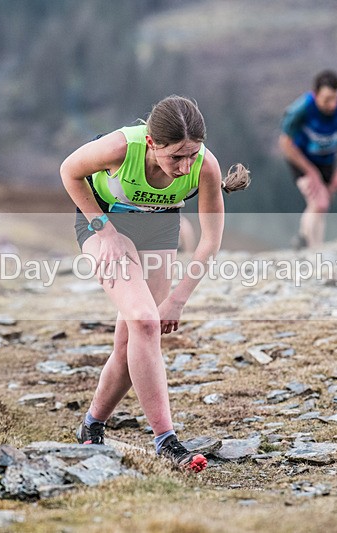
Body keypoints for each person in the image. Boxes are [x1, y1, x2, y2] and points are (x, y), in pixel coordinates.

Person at [60, 95, 249, 472]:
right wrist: (104, 230)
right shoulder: (119, 147)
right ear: (151, 143)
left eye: (192, 155)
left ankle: (91, 426)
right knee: (145, 321)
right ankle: (166, 441)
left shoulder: (204, 166)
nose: (185, 166)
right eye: (175, 156)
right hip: (105, 224)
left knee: (134, 339)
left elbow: (210, 239)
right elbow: (69, 171)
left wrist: (179, 299)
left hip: (160, 230)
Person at [279, 70, 337, 249]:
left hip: (328, 160)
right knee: (320, 203)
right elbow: (285, 143)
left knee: (320, 206)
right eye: (326, 99)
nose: (332, 105)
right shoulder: (300, 109)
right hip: (301, 159)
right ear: (315, 94)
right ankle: (315, 252)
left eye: (335, 98)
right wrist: (310, 171)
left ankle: (303, 239)